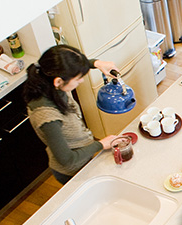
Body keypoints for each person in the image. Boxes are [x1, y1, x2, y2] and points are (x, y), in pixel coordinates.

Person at [22, 45, 122, 184]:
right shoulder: (47, 116)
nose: (81, 81)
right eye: (78, 78)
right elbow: (67, 160)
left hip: (85, 157)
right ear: (58, 81)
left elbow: (74, 66)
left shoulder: (48, 81)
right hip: (72, 171)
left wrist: (96, 63)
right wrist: (100, 144)